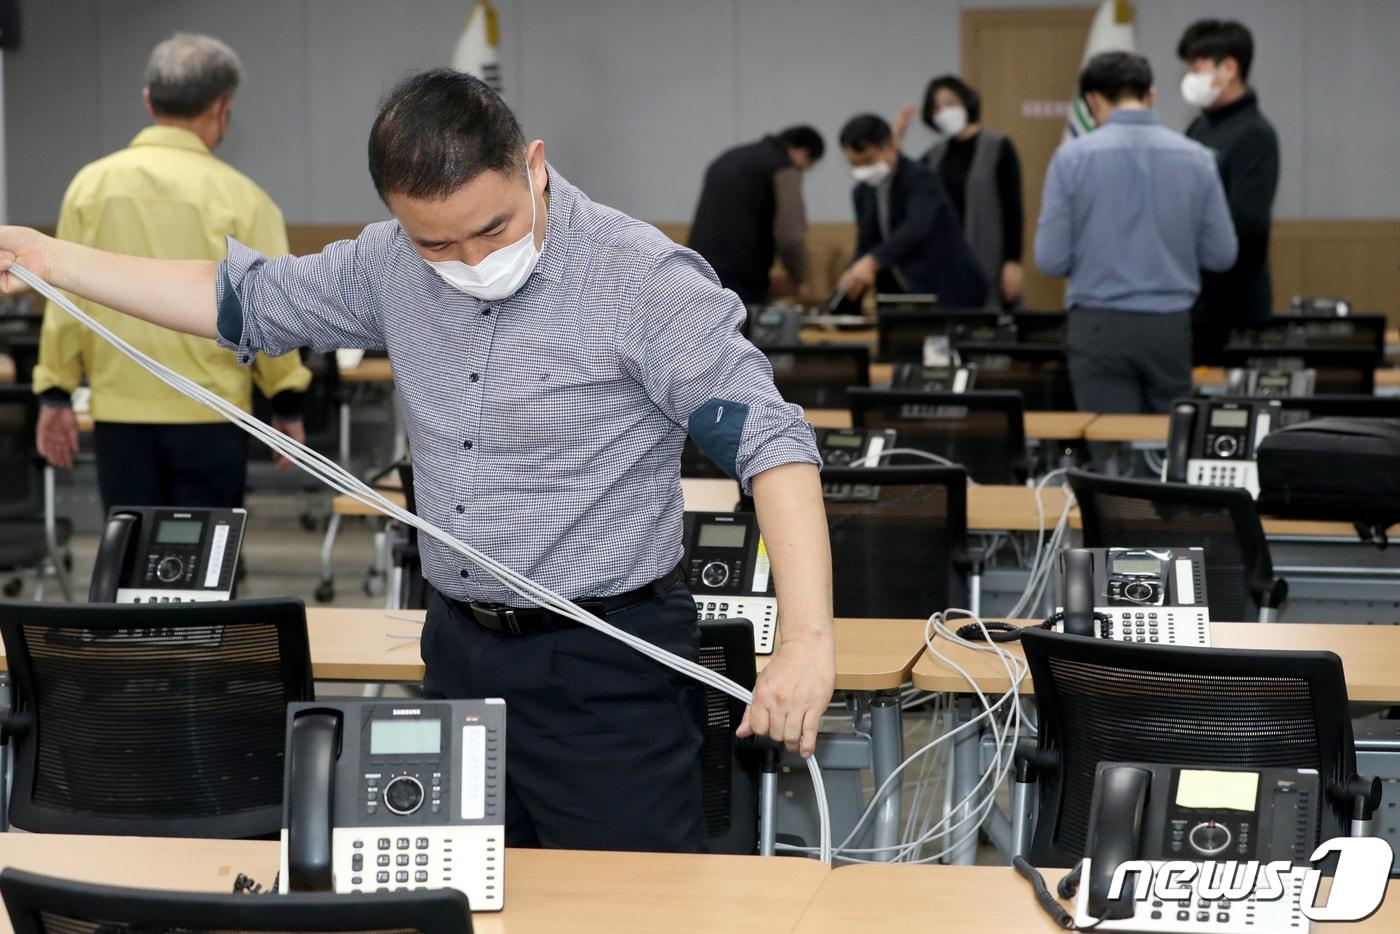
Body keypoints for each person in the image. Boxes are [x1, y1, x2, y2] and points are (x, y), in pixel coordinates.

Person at [0, 69, 835, 854]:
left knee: (625, 908)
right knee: (458, 898)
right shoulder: (387, 263)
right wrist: (47, 260)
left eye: (493, 229)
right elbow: (237, 298)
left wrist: (804, 643)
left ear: (534, 167)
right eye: (436, 242)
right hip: (460, 651)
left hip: (605, 662)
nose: (470, 262)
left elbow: (772, 446)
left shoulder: (641, 279)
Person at [31, 32, 310, 511]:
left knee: (130, 565)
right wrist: (285, 401)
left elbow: (65, 299)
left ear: (148, 101)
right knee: (205, 570)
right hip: (214, 414)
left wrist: (54, 392)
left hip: (120, 414)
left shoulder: (89, 188)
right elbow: (274, 307)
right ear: (222, 109)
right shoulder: (245, 199)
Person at [1035, 52, 1236, 415]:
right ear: (1151, 95)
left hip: (1097, 326)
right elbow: (1221, 255)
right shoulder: (1198, 158)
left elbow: (1050, 259)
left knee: (1110, 455)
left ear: (1093, 100)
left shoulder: (1070, 159)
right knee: (1169, 449)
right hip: (1169, 326)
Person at [1177, 19, 1280, 358]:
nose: (1190, 77)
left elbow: (1247, 225)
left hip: (1233, 307)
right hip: (1196, 299)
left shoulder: (1255, 134)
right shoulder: (1199, 125)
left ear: (1229, 68)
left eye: (1197, 67)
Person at [894, 75, 1025, 309]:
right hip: (947, 263)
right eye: (936, 108)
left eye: (950, 103)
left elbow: (1012, 207)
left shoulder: (997, 146)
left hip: (989, 259)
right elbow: (902, 185)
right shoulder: (933, 156)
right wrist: (896, 139)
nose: (944, 111)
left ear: (966, 102)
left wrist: (1013, 262)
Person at [835, 114, 986, 308]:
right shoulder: (862, 192)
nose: (862, 169)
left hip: (949, 287)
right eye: (854, 164)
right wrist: (852, 275)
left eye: (868, 160)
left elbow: (916, 226)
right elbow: (866, 243)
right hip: (901, 294)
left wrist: (872, 261)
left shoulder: (921, 178)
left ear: (889, 146)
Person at [688, 126, 824, 305]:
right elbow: (790, 236)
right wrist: (797, 279)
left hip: (696, 273)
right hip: (742, 284)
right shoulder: (783, 167)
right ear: (802, 152)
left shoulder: (726, 158)